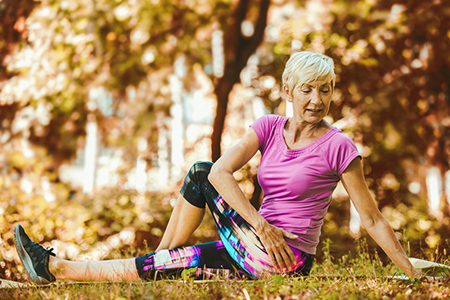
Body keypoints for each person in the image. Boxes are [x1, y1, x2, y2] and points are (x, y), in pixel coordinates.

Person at [14, 51, 420, 285]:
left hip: (288, 257)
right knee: (193, 198)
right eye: (307, 89)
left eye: (325, 89)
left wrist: (412, 275)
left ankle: (63, 267)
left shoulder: (339, 147)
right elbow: (220, 174)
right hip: (253, 242)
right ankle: (57, 268)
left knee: (199, 171)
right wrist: (260, 224)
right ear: (287, 91)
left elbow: (372, 219)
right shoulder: (267, 127)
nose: (317, 99)